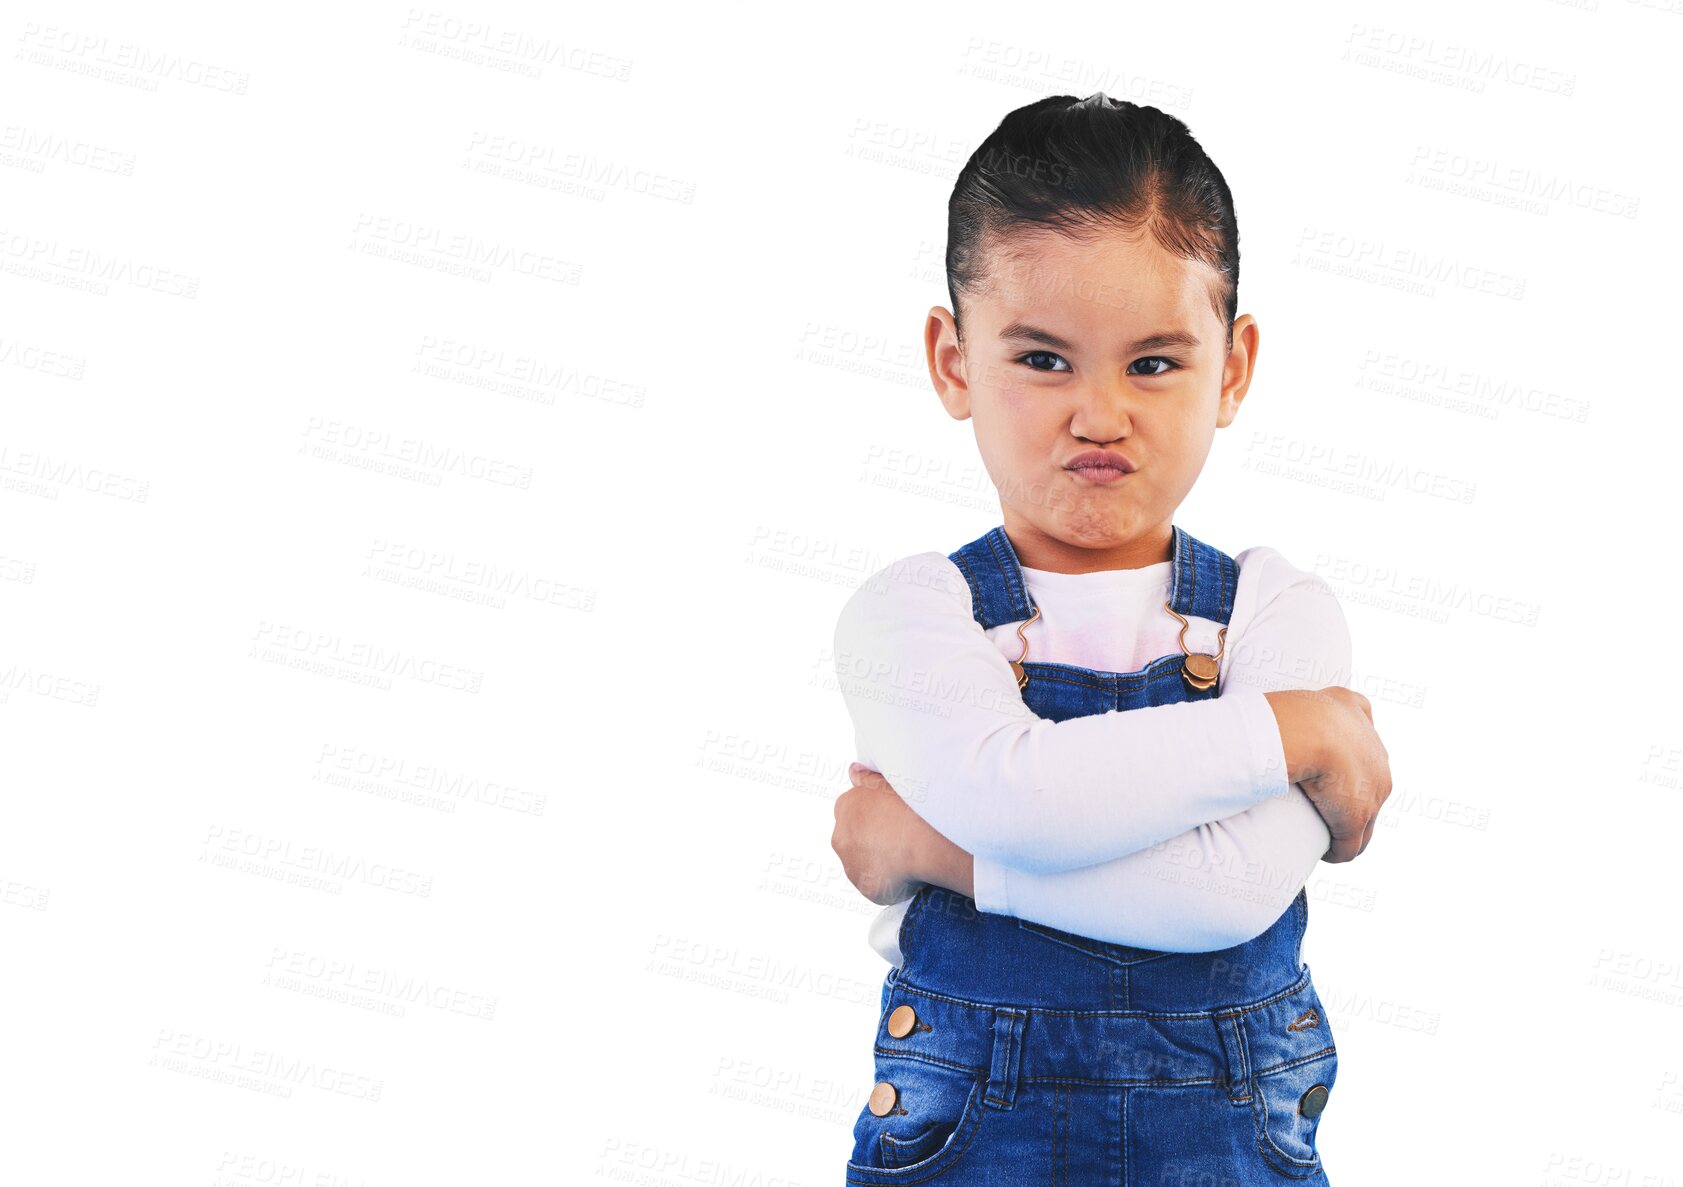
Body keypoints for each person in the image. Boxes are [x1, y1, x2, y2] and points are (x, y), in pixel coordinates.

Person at [828, 92, 1393, 1184]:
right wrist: (1292, 729)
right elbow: (1022, 796)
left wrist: (931, 850)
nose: (1098, 412)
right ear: (953, 360)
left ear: (1232, 366)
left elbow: (1225, 893)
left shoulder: (1280, 610)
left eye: (1153, 362)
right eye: (1043, 359)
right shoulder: (912, 614)